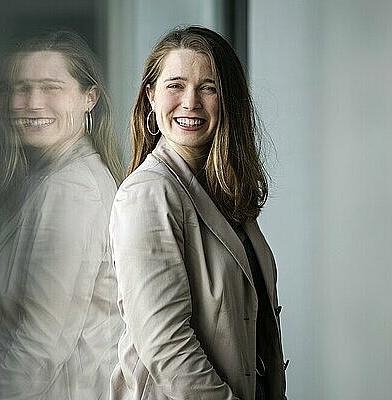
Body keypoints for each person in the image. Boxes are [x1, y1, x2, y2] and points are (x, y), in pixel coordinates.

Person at [109, 26, 288, 400]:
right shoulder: (148, 193)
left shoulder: (225, 193)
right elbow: (168, 347)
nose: (190, 101)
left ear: (228, 101)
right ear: (151, 97)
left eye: (208, 88)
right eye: (175, 85)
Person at [0, 30, 123, 400]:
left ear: (88, 97)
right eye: (16, 88)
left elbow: (40, 347)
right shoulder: (44, 178)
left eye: (50, 87)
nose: (27, 102)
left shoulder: (71, 190)